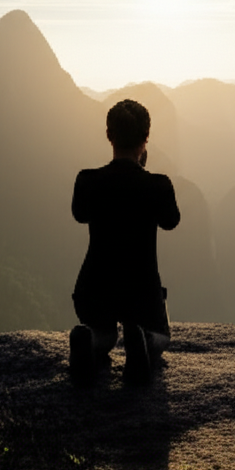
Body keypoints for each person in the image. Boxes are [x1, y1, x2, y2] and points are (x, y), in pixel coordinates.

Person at [70, 99, 180, 384]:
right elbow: (171, 220)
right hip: (140, 289)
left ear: (109, 135)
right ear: (146, 138)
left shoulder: (87, 180)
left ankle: (89, 339)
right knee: (162, 336)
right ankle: (142, 339)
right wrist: (143, 171)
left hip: (94, 287)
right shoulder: (158, 185)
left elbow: (79, 214)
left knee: (105, 335)